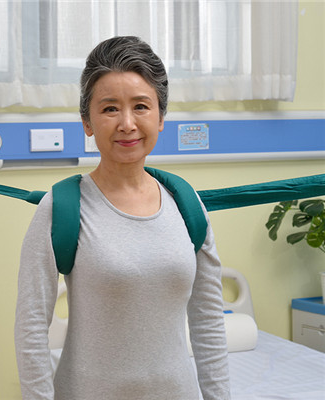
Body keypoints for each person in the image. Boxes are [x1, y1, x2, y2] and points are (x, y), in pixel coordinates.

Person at [15, 36, 230, 400]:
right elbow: (31, 327)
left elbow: (208, 320)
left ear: (161, 117)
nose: (127, 123)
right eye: (110, 108)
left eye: (141, 106)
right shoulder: (62, 207)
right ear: (87, 121)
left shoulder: (186, 203)